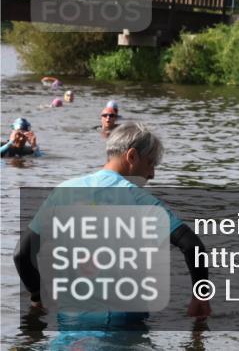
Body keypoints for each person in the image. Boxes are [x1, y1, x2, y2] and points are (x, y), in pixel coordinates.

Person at [12, 121, 211, 324]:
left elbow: (21, 253)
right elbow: (192, 245)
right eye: (151, 163)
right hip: (124, 322)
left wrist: (37, 295)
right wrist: (200, 295)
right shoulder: (140, 200)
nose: (152, 174)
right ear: (132, 156)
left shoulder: (64, 191)